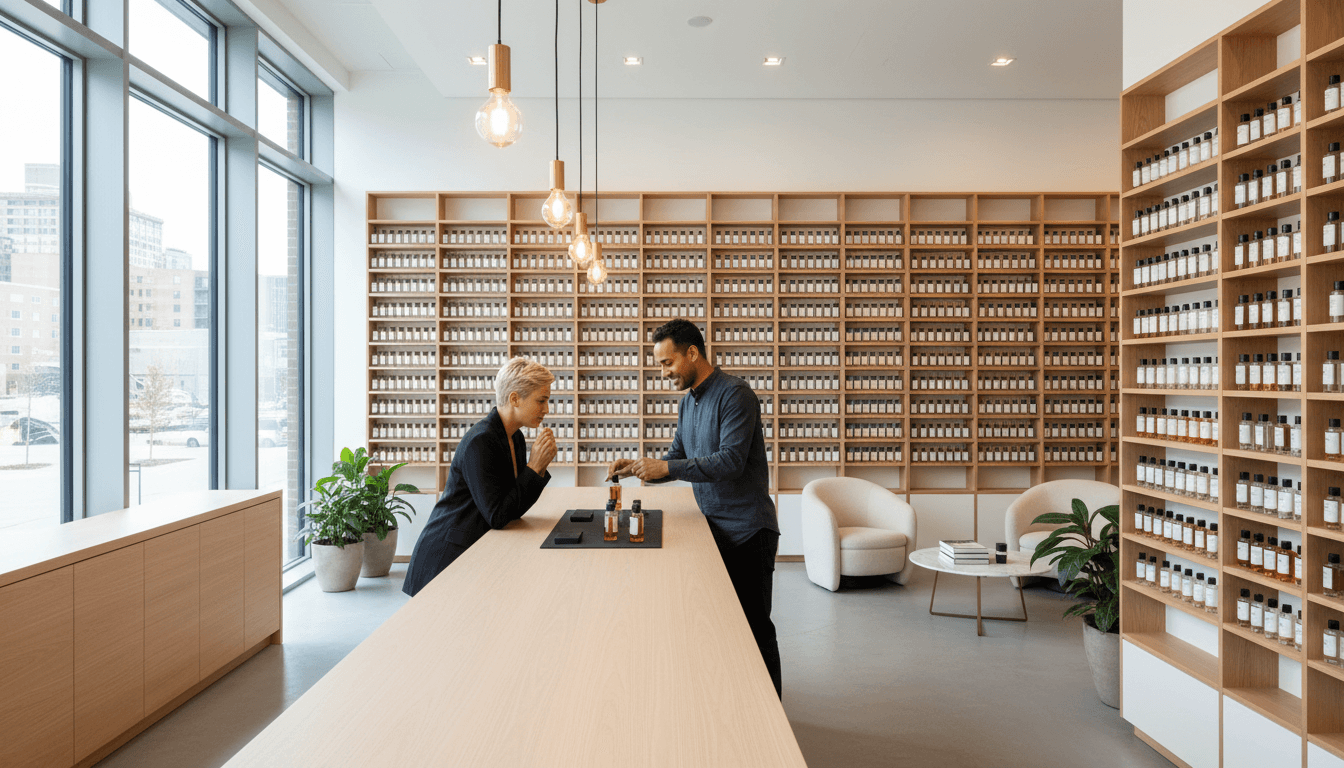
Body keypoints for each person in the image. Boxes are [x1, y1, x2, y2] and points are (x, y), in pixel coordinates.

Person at [607, 318, 782, 697]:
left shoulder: (736, 395)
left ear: (692, 353)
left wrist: (666, 467)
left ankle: (773, 719)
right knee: (721, 629)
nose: (663, 373)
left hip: (749, 533)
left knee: (755, 629)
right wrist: (640, 468)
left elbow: (730, 462)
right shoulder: (689, 404)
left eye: (667, 363)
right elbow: (677, 458)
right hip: (713, 532)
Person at [402, 357, 557, 598]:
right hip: (446, 558)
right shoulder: (481, 441)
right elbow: (497, 515)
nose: (546, 409)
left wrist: (535, 470)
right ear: (514, 398)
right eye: (541, 400)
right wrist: (533, 468)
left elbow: (513, 507)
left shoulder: (515, 437)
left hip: (473, 551)